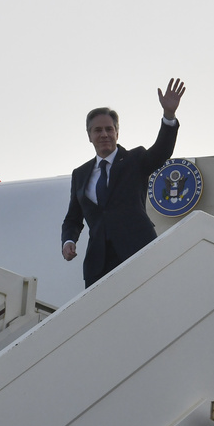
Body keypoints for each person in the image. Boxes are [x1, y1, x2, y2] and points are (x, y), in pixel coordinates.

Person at [61, 78, 185, 287]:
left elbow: (162, 151)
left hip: (137, 252)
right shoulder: (80, 174)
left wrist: (169, 116)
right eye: (98, 130)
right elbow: (73, 218)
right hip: (98, 264)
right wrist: (68, 240)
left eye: (109, 129)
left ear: (117, 132)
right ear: (89, 136)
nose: (104, 134)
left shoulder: (135, 160)